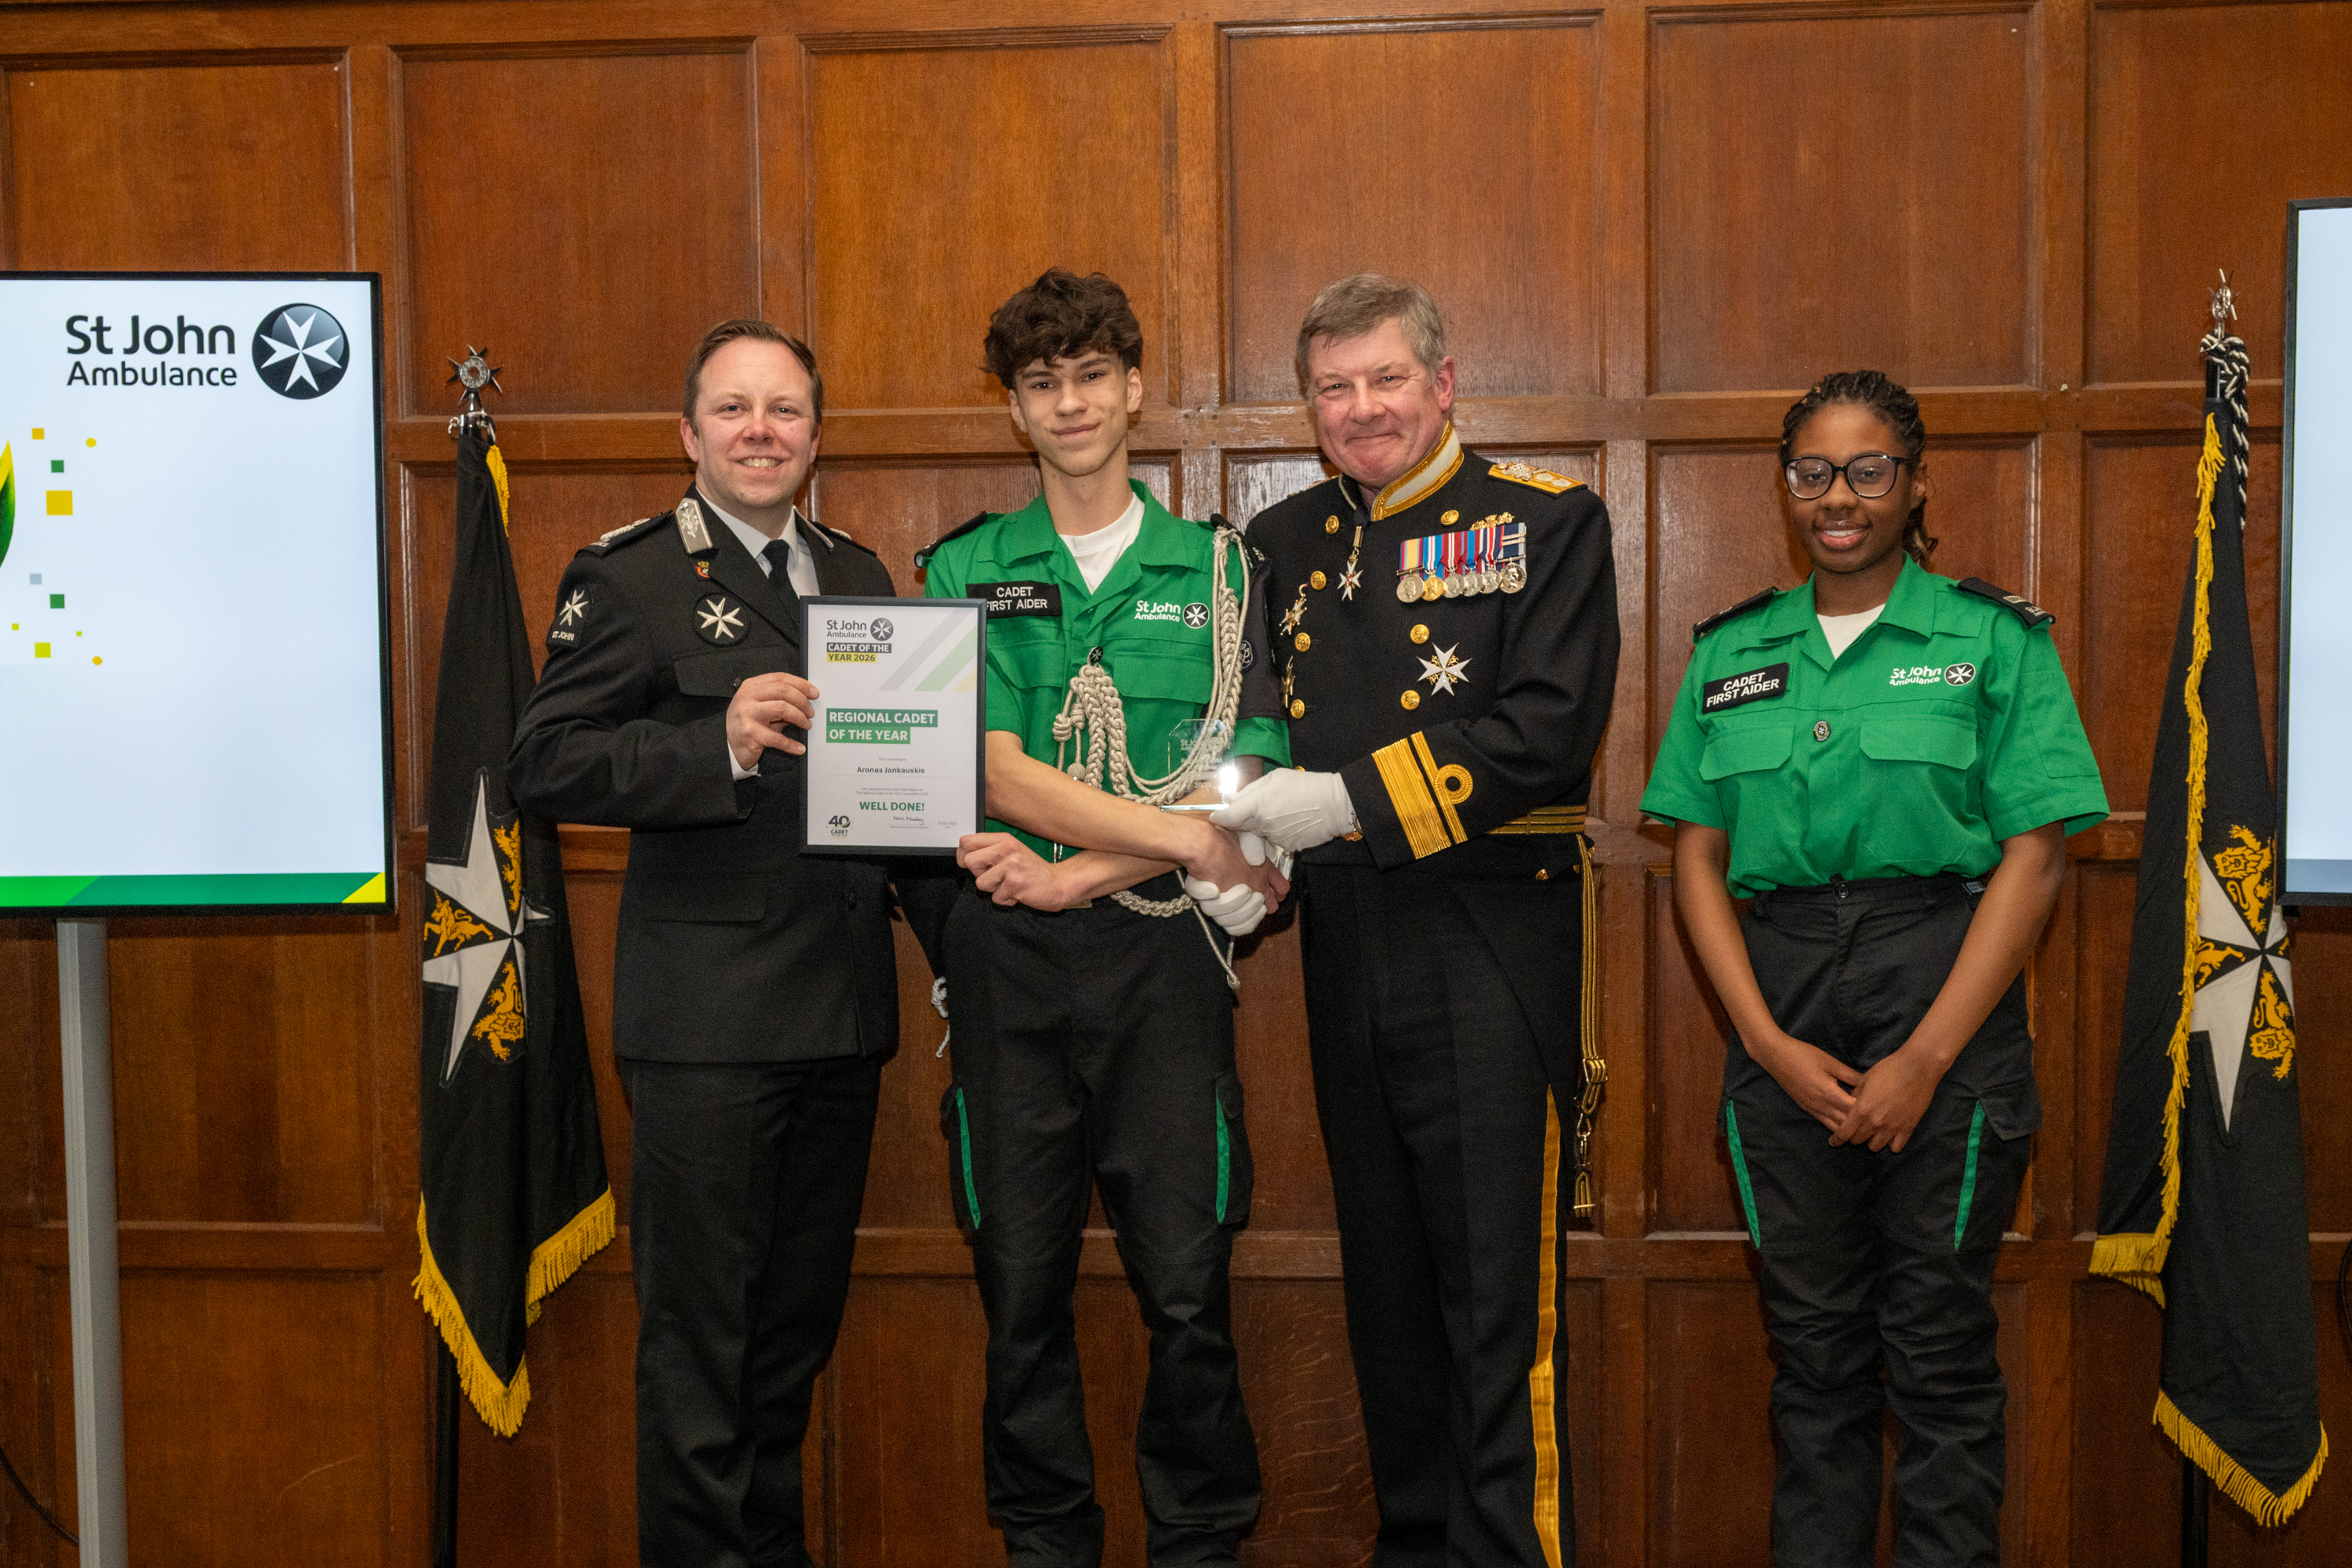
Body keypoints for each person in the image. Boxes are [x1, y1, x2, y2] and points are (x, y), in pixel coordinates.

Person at [1637, 370, 2108, 1566]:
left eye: (1866, 470)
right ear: (1786, 485)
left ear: (1914, 483)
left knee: (1941, 1361)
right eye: (1811, 472)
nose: (1836, 497)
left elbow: (2037, 857)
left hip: (1940, 993)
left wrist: (1925, 1060)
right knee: (1816, 1361)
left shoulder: (1994, 641)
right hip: (1779, 1000)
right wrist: (1762, 1042)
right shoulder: (1733, 651)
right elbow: (1696, 859)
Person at [1212, 274, 1620, 1567]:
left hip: (1492, 941)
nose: (1361, 408)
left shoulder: (1546, 524)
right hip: (1344, 948)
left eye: (1386, 379)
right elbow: (1249, 733)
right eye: (1334, 387)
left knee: (1497, 1301)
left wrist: (1343, 800)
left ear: (1444, 384)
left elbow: (1547, 733)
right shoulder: (1274, 543)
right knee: (1387, 1297)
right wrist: (1239, 848)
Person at [507, 320, 901, 1568]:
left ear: (815, 438)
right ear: (689, 435)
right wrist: (714, 745)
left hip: (843, 1017)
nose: (759, 432)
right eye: (732, 410)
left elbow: (900, 789)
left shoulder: (861, 576)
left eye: (784, 412)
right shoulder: (623, 577)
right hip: (709, 1034)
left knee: (789, 1343)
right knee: (700, 1358)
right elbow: (543, 760)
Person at [915, 268, 1287, 1567]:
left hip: (1161, 956)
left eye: (1090, 376)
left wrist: (1089, 870)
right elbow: (992, 767)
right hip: (1007, 966)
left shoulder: (1224, 572)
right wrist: (1174, 834)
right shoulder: (961, 567)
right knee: (1019, 1291)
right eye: (1040, 383)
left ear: (1135, 386)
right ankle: (1045, 1544)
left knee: (1187, 1290)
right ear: (1015, 410)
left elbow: (1243, 786)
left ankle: (1200, 1543)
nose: (1069, 404)